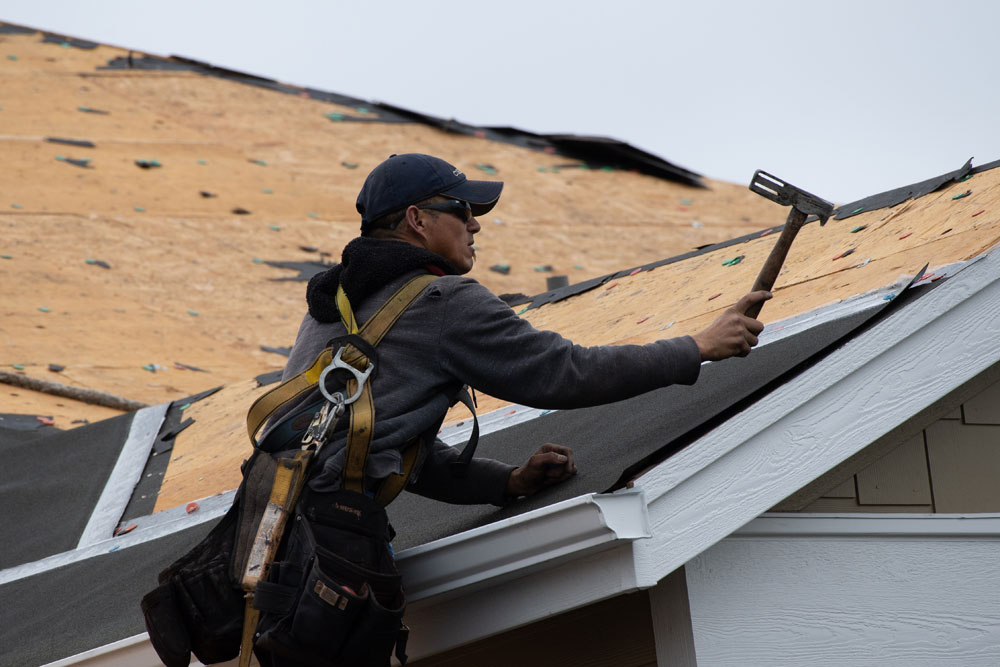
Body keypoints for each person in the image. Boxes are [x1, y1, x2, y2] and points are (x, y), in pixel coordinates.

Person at [261, 152, 770, 505]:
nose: (475, 225)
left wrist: (507, 482)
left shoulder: (335, 305)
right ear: (417, 219)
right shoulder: (441, 299)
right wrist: (697, 347)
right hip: (334, 548)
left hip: (270, 536)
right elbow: (564, 373)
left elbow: (379, 452)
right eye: (462, 210)